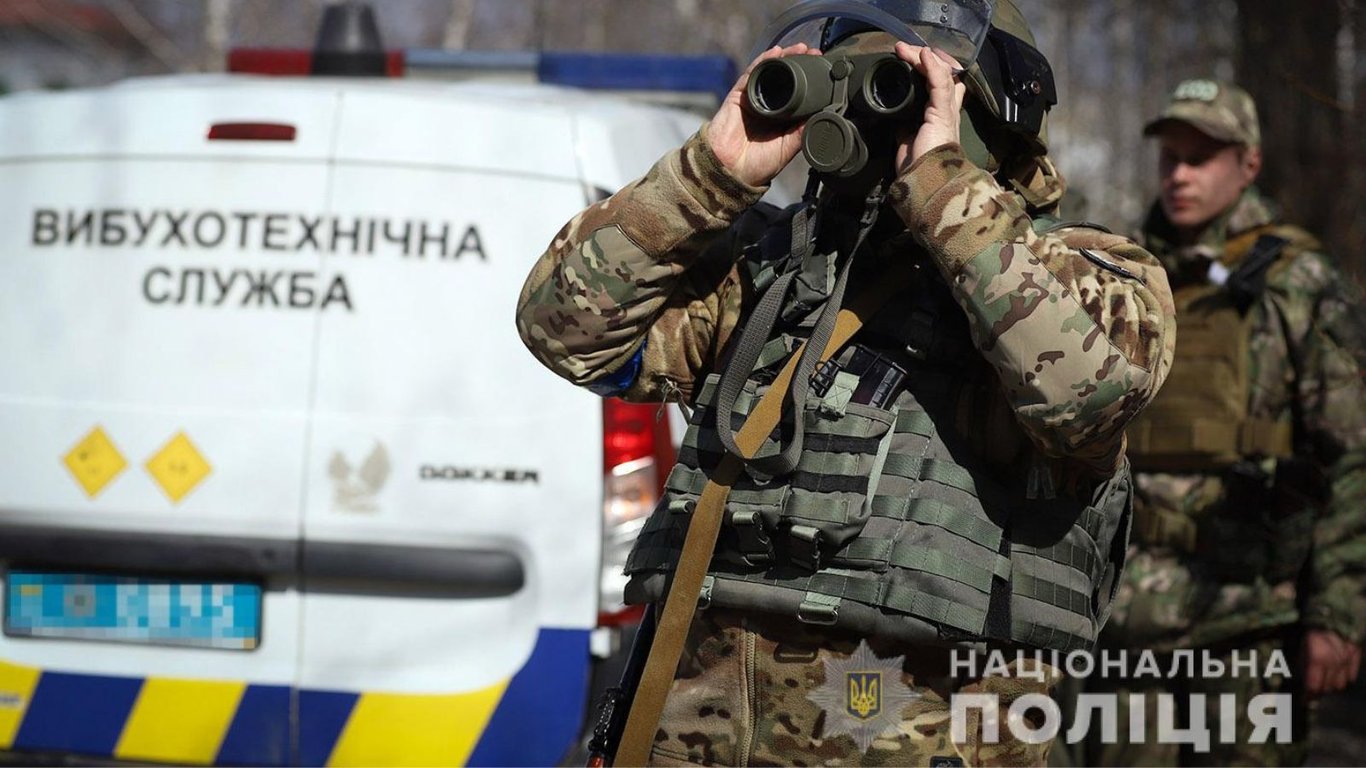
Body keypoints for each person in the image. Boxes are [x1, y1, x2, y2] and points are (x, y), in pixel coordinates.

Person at [517, 1, 1175, 764]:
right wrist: (708, 176)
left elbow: (1090, 393)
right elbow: (562, 327)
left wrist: (942, 187)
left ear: (986, 117)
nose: (873, 119)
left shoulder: (1090, 274)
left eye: (900, 91)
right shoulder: (769, 271)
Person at [1084, 79, 1366, 766]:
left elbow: (1353, 454)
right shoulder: (1119, 275)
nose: (1179, 175)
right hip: (1125, 622)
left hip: (1249, 621)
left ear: (1249, 165)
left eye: (1201, 157)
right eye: (1170, 156)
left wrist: (1337, 612)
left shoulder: (1300, 281)